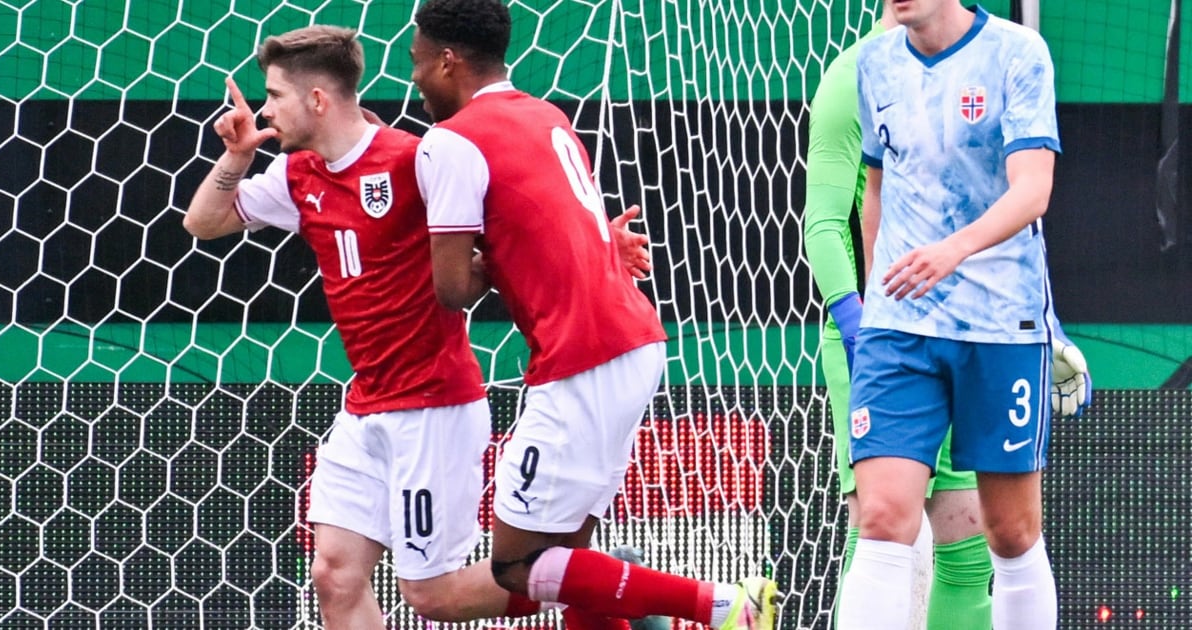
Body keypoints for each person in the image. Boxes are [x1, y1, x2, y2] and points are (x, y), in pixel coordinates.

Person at [182, 24, 583, 627]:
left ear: (317, 100)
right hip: (366, 407)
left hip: (433, 410)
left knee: (433, 597)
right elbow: (203, 223)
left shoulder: (414, 160)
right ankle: (585, 579)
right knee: (333, 575)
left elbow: (513, 230)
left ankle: (591, 581)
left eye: (274, 95)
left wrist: (601, 245)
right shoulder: (299, 176)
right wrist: (237, 157)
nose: (264, 110)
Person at [407, 1, 780, 628]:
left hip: (584, 357)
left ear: (448, 61)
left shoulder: (451, 140)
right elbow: (554, 223)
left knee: (517, 566)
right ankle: (632, 589)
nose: (414, 79)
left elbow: (451, 288)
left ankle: (720, 605)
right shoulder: (544, 114)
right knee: (568, 561)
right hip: (629, 340)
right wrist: (592, 245)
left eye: (417, 62)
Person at [835, 1, 1080, 628]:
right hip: (900, 329)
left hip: (998, 324)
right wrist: (875, 297)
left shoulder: (1019, 53)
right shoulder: (873, 63)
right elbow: (880, 183)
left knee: (1010, 532)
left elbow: (1034, 188)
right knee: (884, 518)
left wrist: (952, 250)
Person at [803, 3, 991, 628]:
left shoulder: (989, 65)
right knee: (879, 529)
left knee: (968, 541)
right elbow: (824, 221)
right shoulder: (851, 76)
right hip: (881, 338)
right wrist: (859, 328)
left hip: (964, 332)